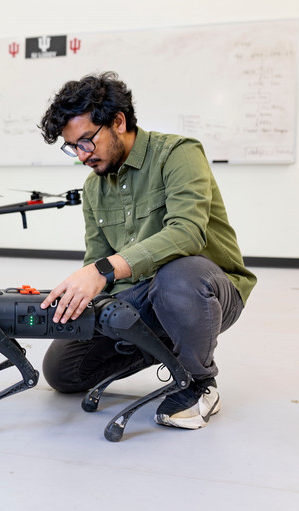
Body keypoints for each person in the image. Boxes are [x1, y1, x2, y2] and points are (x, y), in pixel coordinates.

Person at [38, 71, 257, 430]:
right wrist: (85, 303)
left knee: (178, 276)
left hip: (205, 291)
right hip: (143, 297)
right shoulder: (94, 189)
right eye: (72, 147)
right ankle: (160, 347)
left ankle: (199, 383)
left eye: (86, 142)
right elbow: (97, 260)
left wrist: (103, 270)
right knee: (63, 371)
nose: (81, 156)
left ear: (118, 122)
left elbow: (187, 233)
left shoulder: (178, 154)